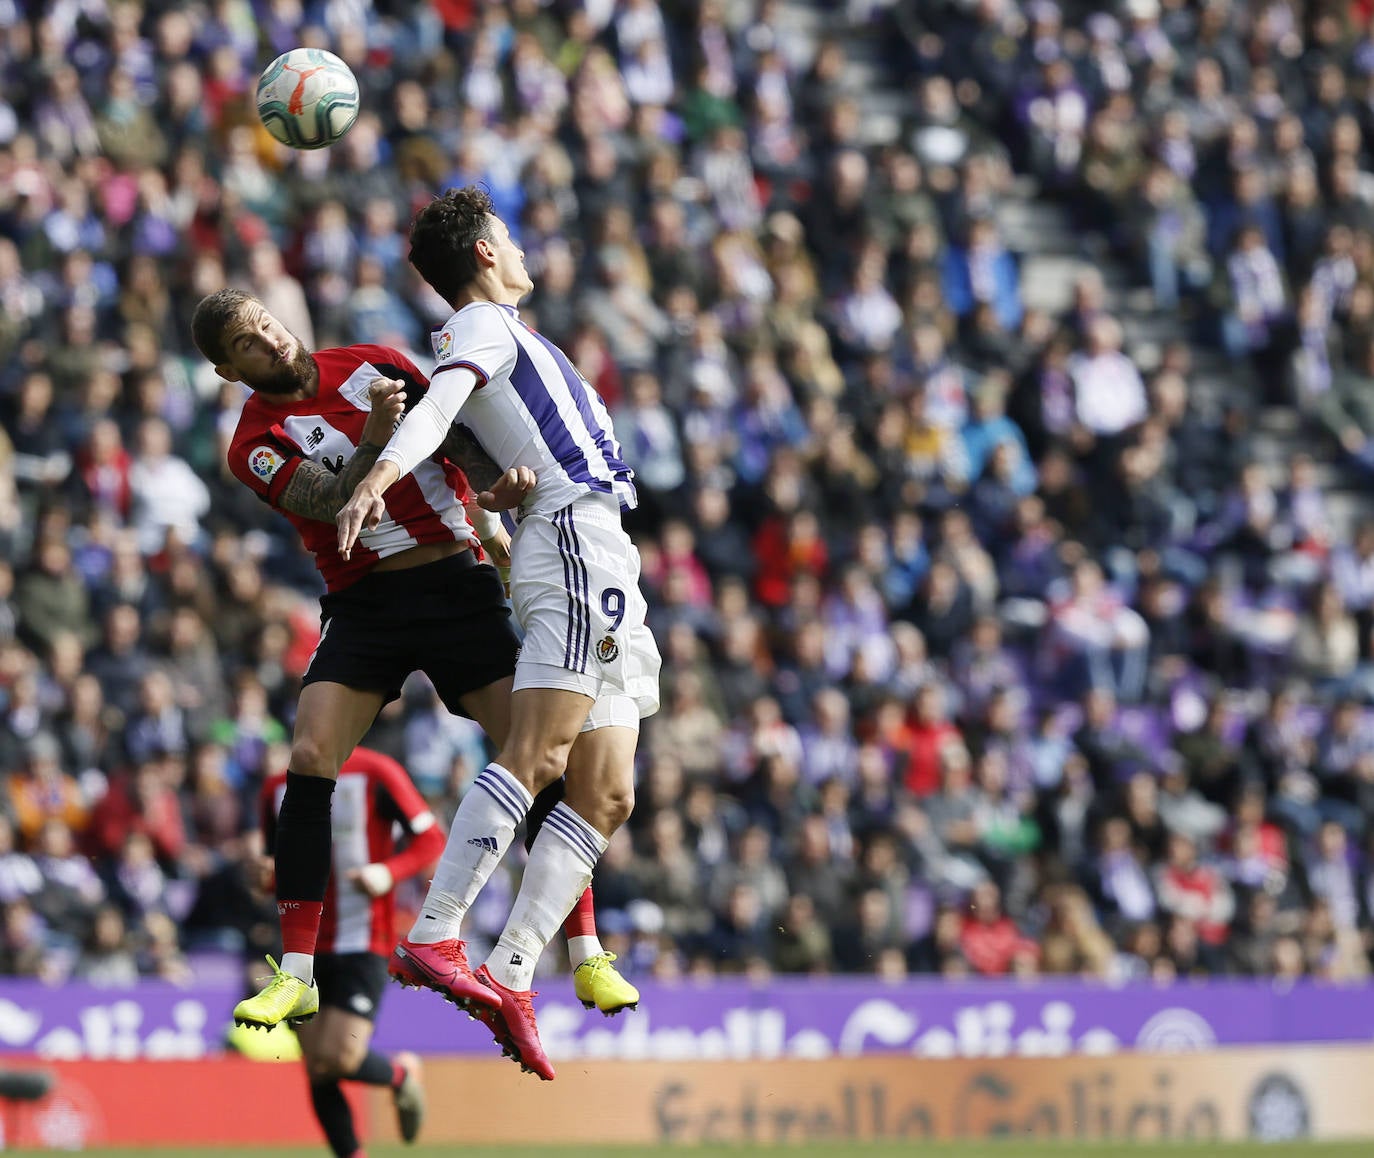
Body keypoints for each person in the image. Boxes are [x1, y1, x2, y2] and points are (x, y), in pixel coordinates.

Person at [188, 290, 638, 1040]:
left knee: (539, 757)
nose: (269, 339)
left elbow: (455, 441)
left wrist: (494, 489)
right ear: (227, 367)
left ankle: (585, 947)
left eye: (266, 321)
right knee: (308, 754)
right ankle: (296, 975)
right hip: (364, 602)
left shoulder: (375, 363)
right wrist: (377, 436)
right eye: (247, 342)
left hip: (456, 585)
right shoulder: (252, 443)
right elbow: (333, 496)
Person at [336, 186, 661, 1080]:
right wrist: (381, 473)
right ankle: (437, 932)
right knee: (541, 751)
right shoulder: (480, 327)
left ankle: (512, 967)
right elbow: (442, 405)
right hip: (569, 538)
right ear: (483, 254)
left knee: (607, 792)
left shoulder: (512, 334)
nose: (519, 249)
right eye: (508, 237)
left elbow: (477, 434)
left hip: (604, 549)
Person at [258, 746, 440, 1158]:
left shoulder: (378, 771)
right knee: (318, 1068)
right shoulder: (274, 787)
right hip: (299, 947)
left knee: (338, 1056)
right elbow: (281, 866)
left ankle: (399, 1075)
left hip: (363, 939)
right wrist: (264, 875)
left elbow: (431, 839)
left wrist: (386, 872)